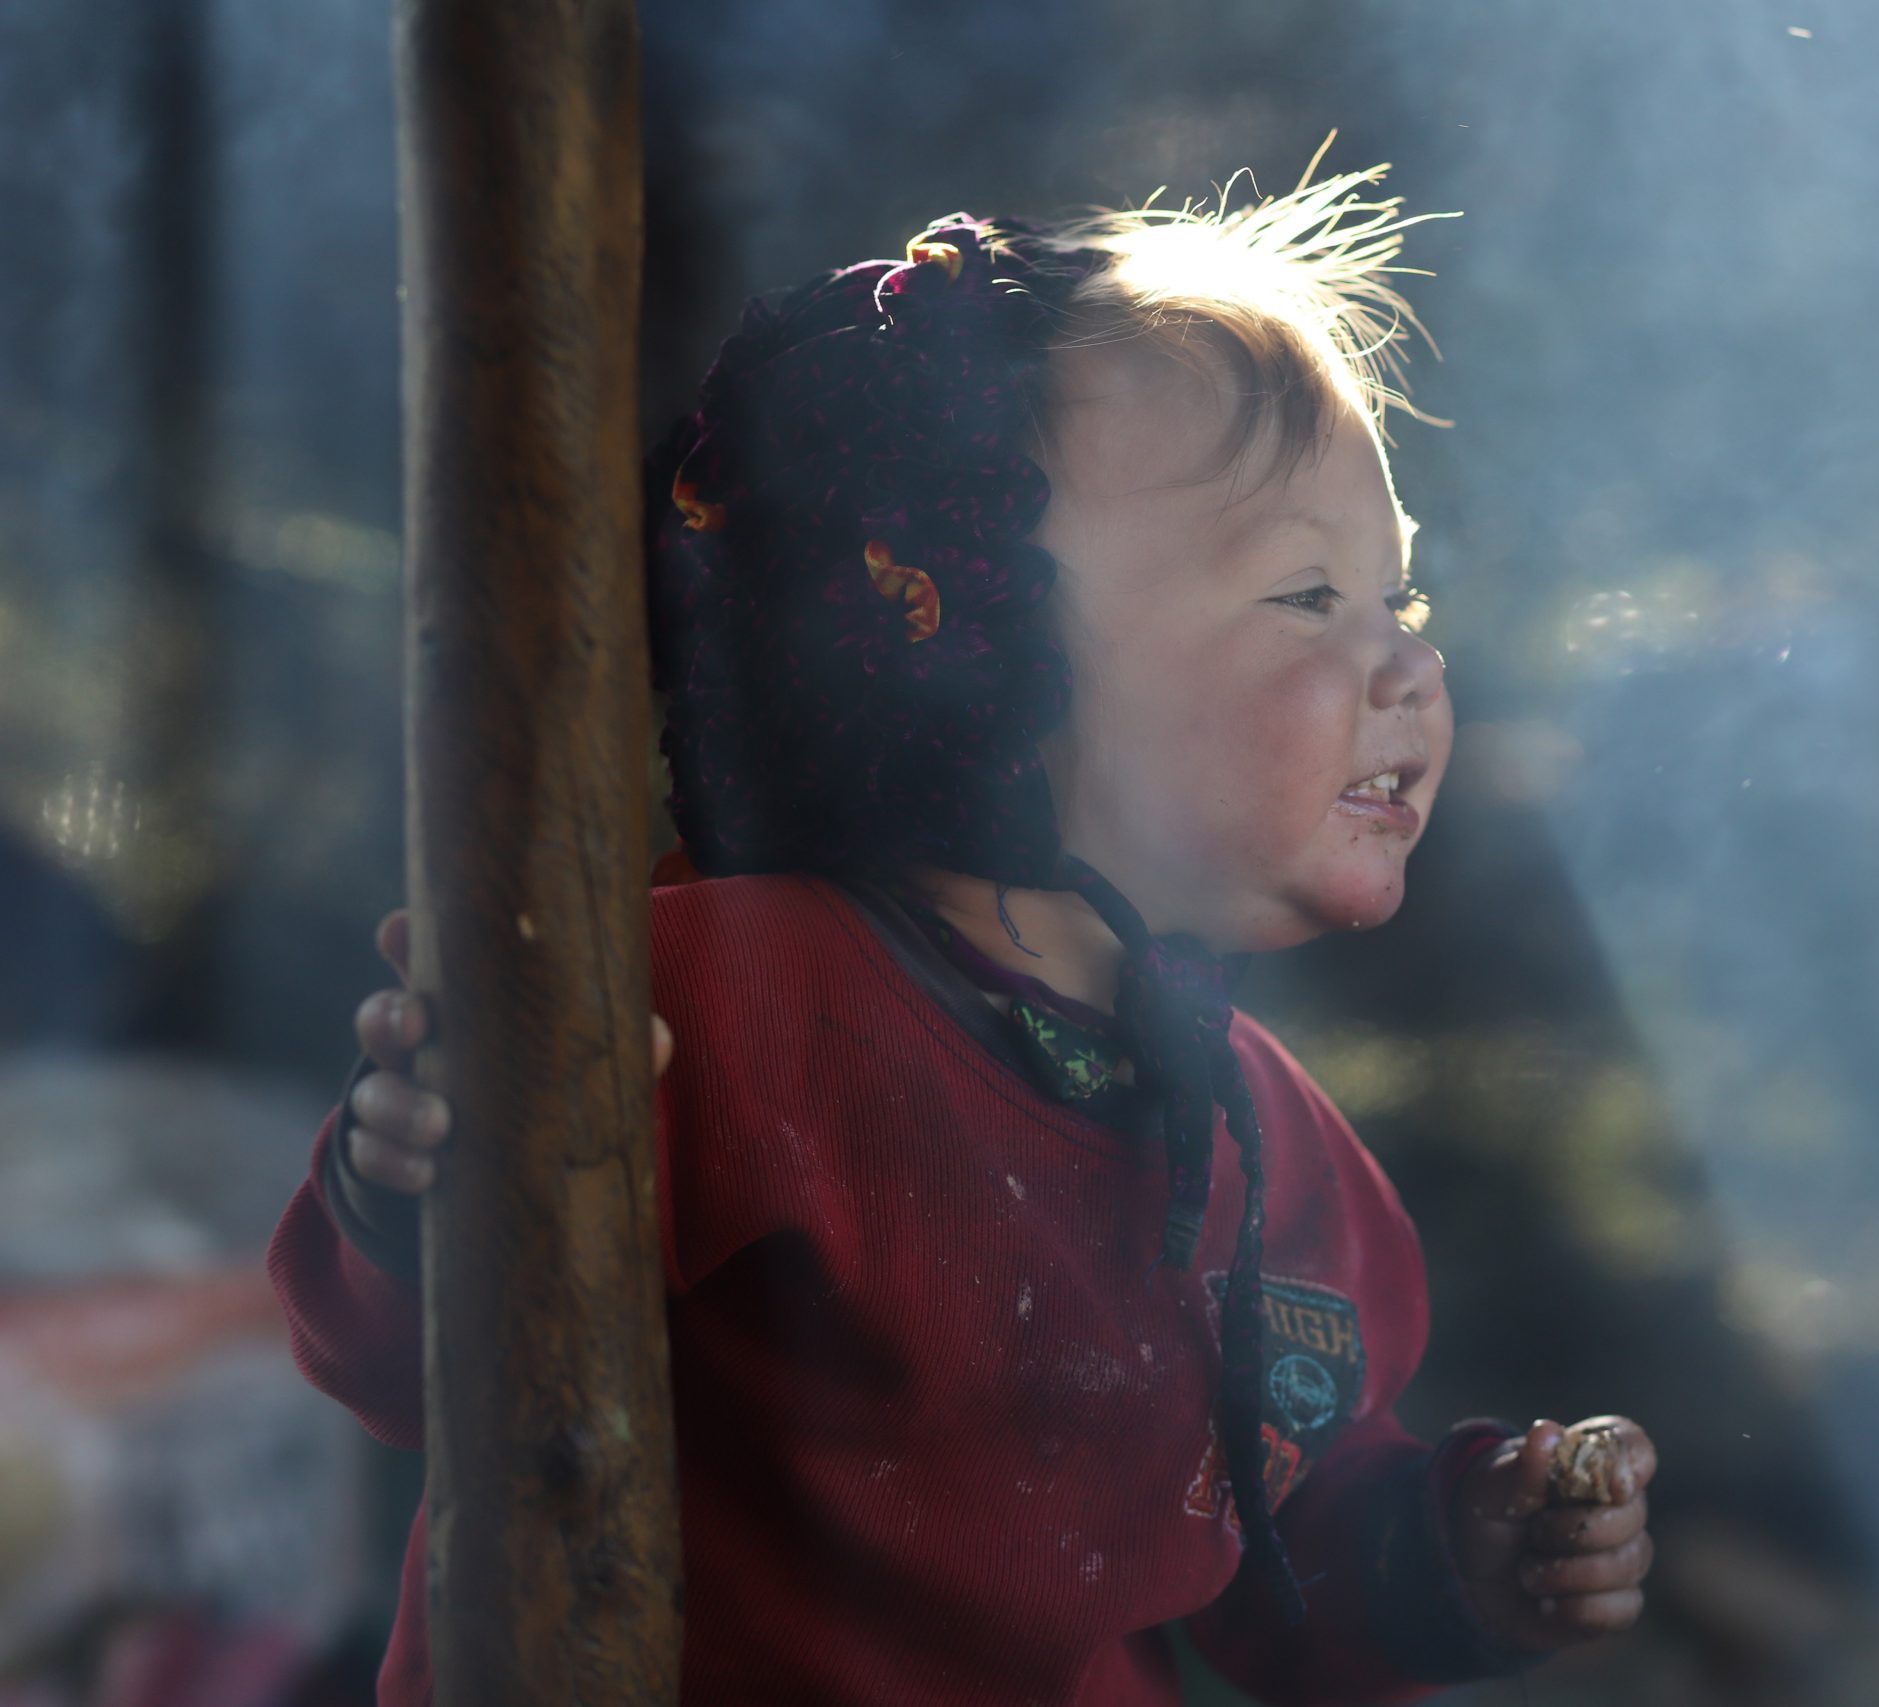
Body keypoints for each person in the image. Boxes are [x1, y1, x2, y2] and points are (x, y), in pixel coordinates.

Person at [267, 162, 1657, 1705]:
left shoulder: (1266, 1135)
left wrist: (1461, 1549)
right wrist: (420, 1176)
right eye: (1309, 592)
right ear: (969, 647)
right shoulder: (711, 1004)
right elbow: (412, 1363)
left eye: (1407, 598)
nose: (1403, 663)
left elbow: (1280, 1571)